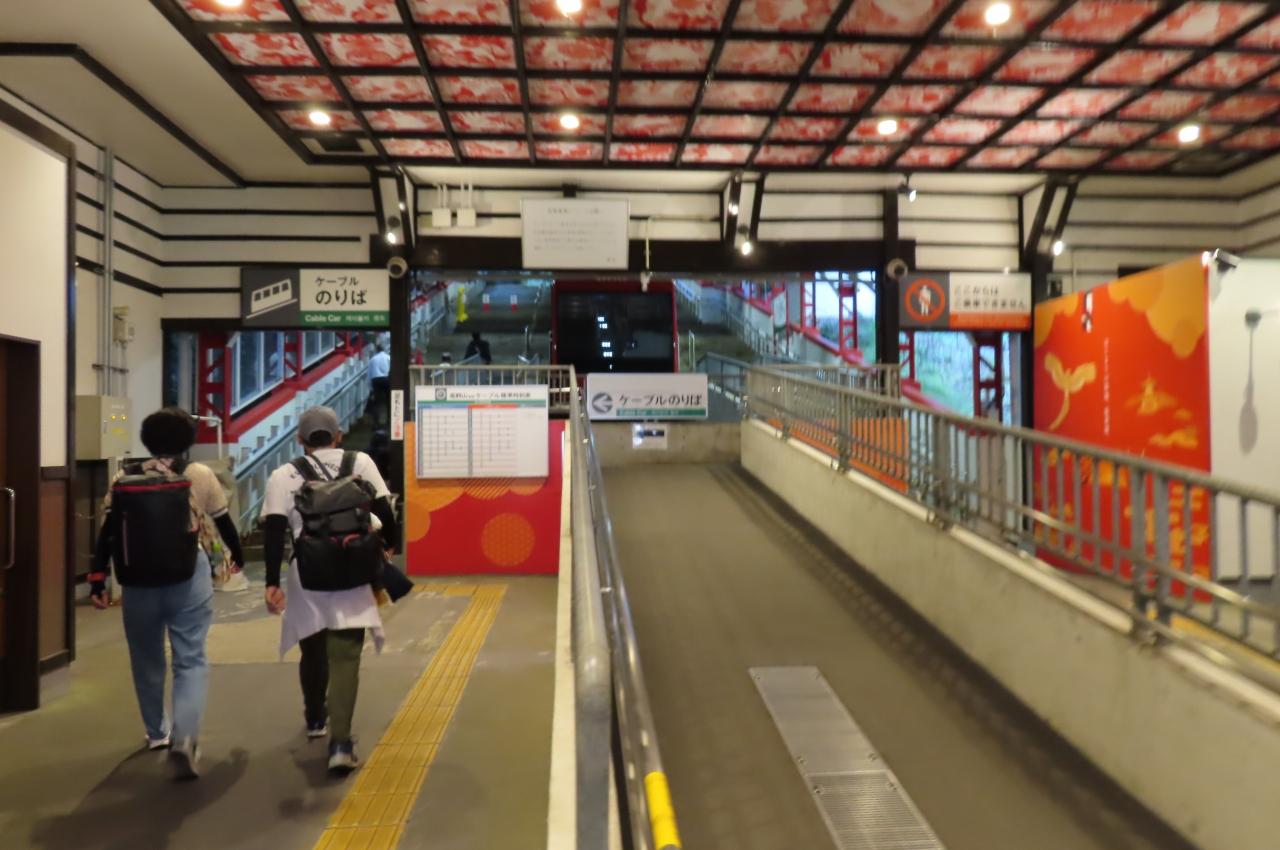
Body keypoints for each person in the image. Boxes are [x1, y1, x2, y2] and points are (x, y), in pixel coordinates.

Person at [89, 407, 245, 779]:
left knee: (145, 658)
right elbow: (224, 523)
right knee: (190, 657)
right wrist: (237, 558)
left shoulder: (124, 477)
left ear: (147, 440)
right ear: (188, 441)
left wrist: (97, 578)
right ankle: (185, 736)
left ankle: (157, 732)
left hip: (137, 579)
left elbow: (108, 532)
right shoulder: (199, 474)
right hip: (188, 574)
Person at [260, 406, 400, 774]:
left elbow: (273, 532)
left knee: (312, 650)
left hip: (306, 571)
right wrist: (388, 547)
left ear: (300, 439)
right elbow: (386, 512)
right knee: (345, 655)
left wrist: (271, 582)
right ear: (338, 436)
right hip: (353, 568)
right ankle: (340, 744)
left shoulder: (284, 475)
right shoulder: (360, 462)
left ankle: (315, 717)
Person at [366, 342, 391, 427]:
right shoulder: (388, 357)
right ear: (383, 349)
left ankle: (376, 423)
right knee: (389, 400)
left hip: (376, 380)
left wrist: (370, 388)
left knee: (377, 402)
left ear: (377, 350)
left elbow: (369, 374)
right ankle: (389, 421)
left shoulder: (373, 359)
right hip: (387, 379)